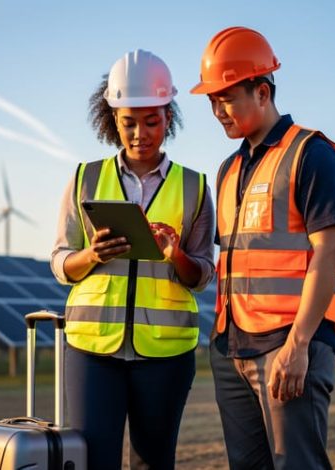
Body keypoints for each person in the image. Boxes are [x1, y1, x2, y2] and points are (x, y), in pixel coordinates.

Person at [189, 27, 335, 469]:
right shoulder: (228, 170)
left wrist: (298, 345)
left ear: (262, 91)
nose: (218, 111)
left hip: (288, 346)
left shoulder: (311, 154)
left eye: (227, 98)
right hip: (231, 347)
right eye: (211, 101)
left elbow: (330, 253)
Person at [50, 49, 215, 470]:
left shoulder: (194, 187)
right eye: (128, 123)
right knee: (93, 461)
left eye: (151, 121)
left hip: (165, 355)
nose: (140, 133)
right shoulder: (85, 177)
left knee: (154, 463)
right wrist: (89, 255)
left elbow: (202, 274)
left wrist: (175, 255)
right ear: (112, 120)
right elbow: (59, 260)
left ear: (168, 116)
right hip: (91, 350)